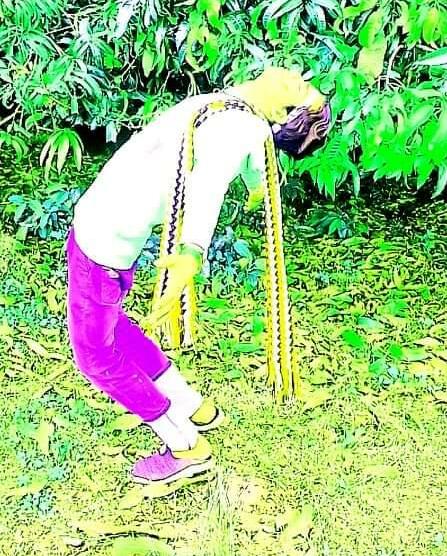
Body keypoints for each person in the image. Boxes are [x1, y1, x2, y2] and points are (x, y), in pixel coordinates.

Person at [66, 67, 331, 487]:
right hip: (101, 235)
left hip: (101, 247)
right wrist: (258, 182)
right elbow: (258, 153)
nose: (297, 76)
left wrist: (191, 253)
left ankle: (185, 446)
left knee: (95, 356)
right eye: (304, 82)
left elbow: (208, 186)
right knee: (113, 329)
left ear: (282, 114)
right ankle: (193, 407)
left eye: (299, 90)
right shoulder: (242, 113)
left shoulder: (235, 128)